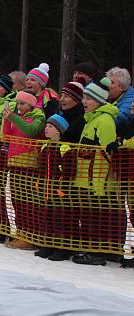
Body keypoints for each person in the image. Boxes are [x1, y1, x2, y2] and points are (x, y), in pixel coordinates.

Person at [71, 78, 124, 266]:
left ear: (100, 101)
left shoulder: (104, 121)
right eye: (84, 97)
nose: (84, 102)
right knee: (89, 215)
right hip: (86, 179)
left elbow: (107, 154)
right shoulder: (91, 119)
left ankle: (97, 252)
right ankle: (98, 250)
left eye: (89, 98)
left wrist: (99, 184)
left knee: (95, 216)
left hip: (96, 182)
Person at [2, 90, 45, 249]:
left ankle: (30, 234)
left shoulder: (38, 116)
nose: (19, 106)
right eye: (18, 103)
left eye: (22, 103)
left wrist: (13, 117)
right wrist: (7, 119)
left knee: (27, 200)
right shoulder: (18, 118)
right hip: (14, 162)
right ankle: (21, 230)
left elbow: (31, 131)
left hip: (29, 163)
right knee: (16, 199)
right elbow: (6, 137)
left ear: (31, 104)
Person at [35, 114, 76, 262]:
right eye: (46, 126)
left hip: (59, 192)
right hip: (46, 190)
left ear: (59, 131)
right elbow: (41, 167)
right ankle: (48, 245)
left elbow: (69, 171)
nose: (46, 129)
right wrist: (39, 183)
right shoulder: (45, 146)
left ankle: (62, 249)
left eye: (50, 126)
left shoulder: (64, 148)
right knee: (46, 217)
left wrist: (62, 188)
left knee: (60, 220)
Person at [105, 67, 134, 136]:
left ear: (122, 87)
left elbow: (117, 120)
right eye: (107, 81)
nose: (107, 85)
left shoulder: (130, 101)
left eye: (111, 82)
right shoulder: (113, 97)